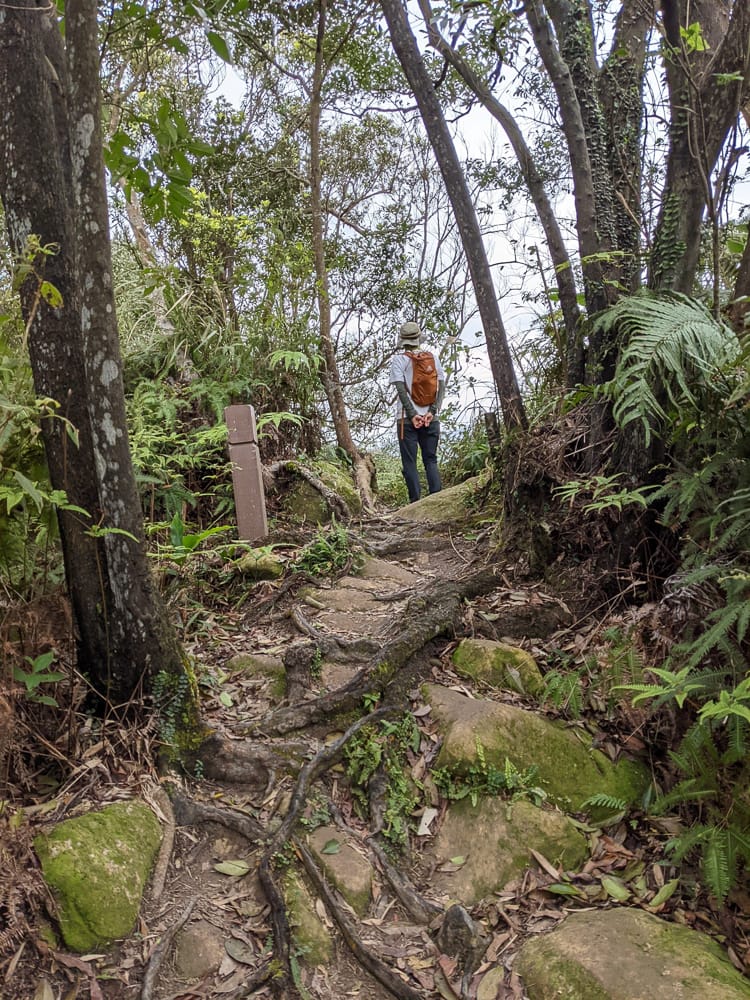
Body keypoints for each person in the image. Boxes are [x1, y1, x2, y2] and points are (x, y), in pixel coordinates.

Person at [389, 321, 446, 503]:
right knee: (431, 459)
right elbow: (441, 387)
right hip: (431, 418)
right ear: (418, 338)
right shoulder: (433, 358)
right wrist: (432, 411)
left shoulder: (399, 360)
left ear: (403, 340)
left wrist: (413, 415)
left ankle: (415, 502)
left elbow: (400, 389)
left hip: (406, 420)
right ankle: (436, 500)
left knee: (410, 462)